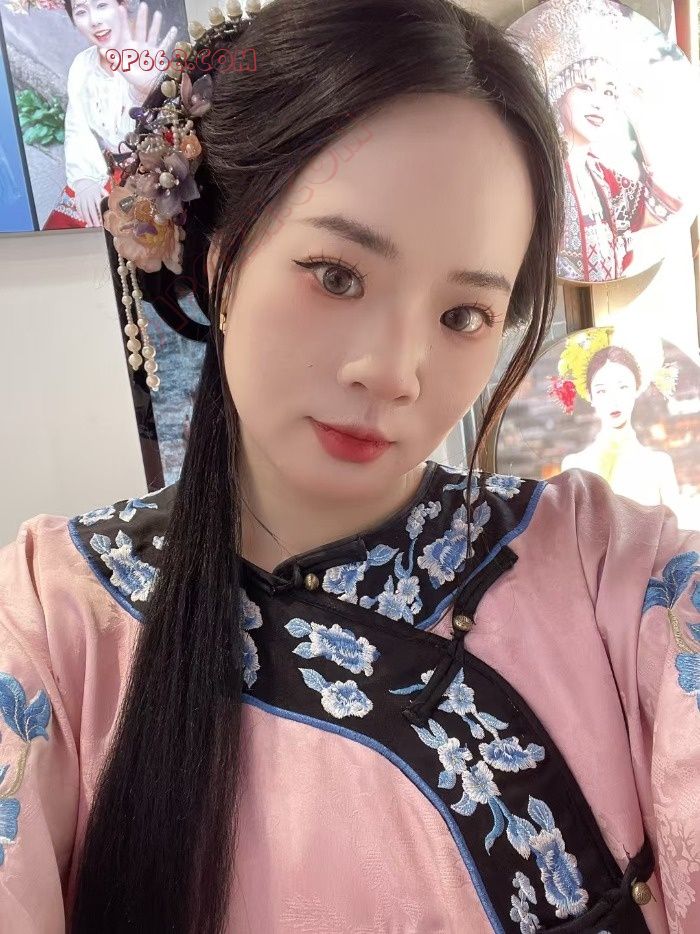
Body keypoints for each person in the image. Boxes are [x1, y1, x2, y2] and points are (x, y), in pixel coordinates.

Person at [0, 1, 698, 932]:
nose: (396, 372)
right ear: (220, 257)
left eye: (462, 316)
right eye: (337, 275)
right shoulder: (52, 621)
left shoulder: (610, 571)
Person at [42, 0, 177, 229]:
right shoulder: (82, 65)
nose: (94, 20)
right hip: (103, 171)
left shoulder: (153, 60)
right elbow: (77, 125)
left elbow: (173, 132)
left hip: (155, 174)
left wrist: (145, 91)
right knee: (62, 232)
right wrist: (84, 179)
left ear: (122, 4)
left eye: (102, 5)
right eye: (81, 11)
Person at [556, 338, 682, 512]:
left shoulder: (659, 464)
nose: (613, 400)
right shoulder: (574, 465)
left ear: (636, 389)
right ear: (591, 396)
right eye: (601, 391)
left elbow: (676, 526)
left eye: (623, 387)